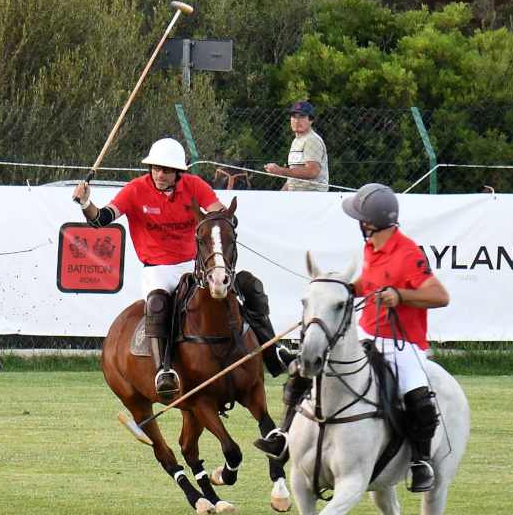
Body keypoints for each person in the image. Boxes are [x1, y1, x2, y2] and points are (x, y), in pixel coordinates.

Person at [256, 183, 449, 492]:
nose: (359, 224)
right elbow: (366, 283)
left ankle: (420, 461)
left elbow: (440, 296)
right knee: (306, 371)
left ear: (370, 222)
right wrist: (340, 290)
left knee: (417, 398)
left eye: (361, 218)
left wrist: (401, 296)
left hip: (404, 343)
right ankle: (283, 436)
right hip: (368, 334)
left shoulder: (408, 252)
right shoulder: (370, 248)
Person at [72, 138, 292, 404]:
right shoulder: (135, 191)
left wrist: (224, 218)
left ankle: (272, 352)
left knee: (249, 285)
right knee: (156, 304)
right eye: (156, 168)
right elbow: (101, 219)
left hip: (194, 264)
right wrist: (86, 203)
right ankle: (164, 371)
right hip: (158, 268)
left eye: (166, 170)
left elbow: (218, 213)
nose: (160, 174)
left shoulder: (194, 186)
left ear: (179, 172)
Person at [264, 100, 329, 192]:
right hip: (296, 196)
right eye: (294, 116)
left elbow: (312, 171)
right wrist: (279, 195)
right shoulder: (296, 141)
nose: (297, 121)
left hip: (312, 197)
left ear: (311, 120)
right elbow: (292, 177)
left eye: (302, 116)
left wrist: (280, 171)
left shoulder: (312, 140)